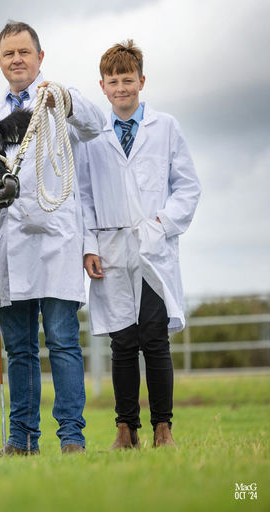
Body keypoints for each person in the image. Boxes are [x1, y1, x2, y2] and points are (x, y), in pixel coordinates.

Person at [0, 21, 105, 456]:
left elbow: (96, 125)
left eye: (24, 52)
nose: (17, 59)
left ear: (40, 57)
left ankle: (72, 438)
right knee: (18, 348)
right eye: (8, 53)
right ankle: (21, 439)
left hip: (57, 240)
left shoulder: (57, 99)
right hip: (11, 239)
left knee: (61, 341)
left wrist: (67, 101)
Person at [78, 40, 201, 449]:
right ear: (102, 85)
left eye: (127, 80)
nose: (120, 88)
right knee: (123, 339)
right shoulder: (93, 139)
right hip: (112, 248)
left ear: (141, 81)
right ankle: (125, 429)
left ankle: (163, 428)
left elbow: (187, 187)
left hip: (152, 245)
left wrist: (162, 225)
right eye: (112, 81)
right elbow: (84, 196)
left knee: (154, 336)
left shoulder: (165, 128)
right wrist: (89, 245)